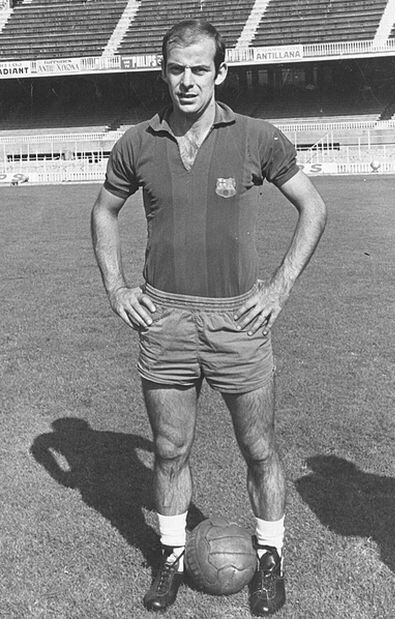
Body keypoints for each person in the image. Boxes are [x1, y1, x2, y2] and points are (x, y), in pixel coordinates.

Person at [91, 19, 327, 616]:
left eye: (200, 68)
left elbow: (313, 207)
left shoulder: (256, 137)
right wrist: (117, 286)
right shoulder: (137, 142)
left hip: (237, 321)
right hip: (164, 319)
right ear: (163, 72)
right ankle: (171, 556)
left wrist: (278, 288)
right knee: (170, 450)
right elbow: (104, 212)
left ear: (221, 72)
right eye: (176, 69)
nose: (187, 81)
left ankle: (270, 558)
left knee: (259, 448)